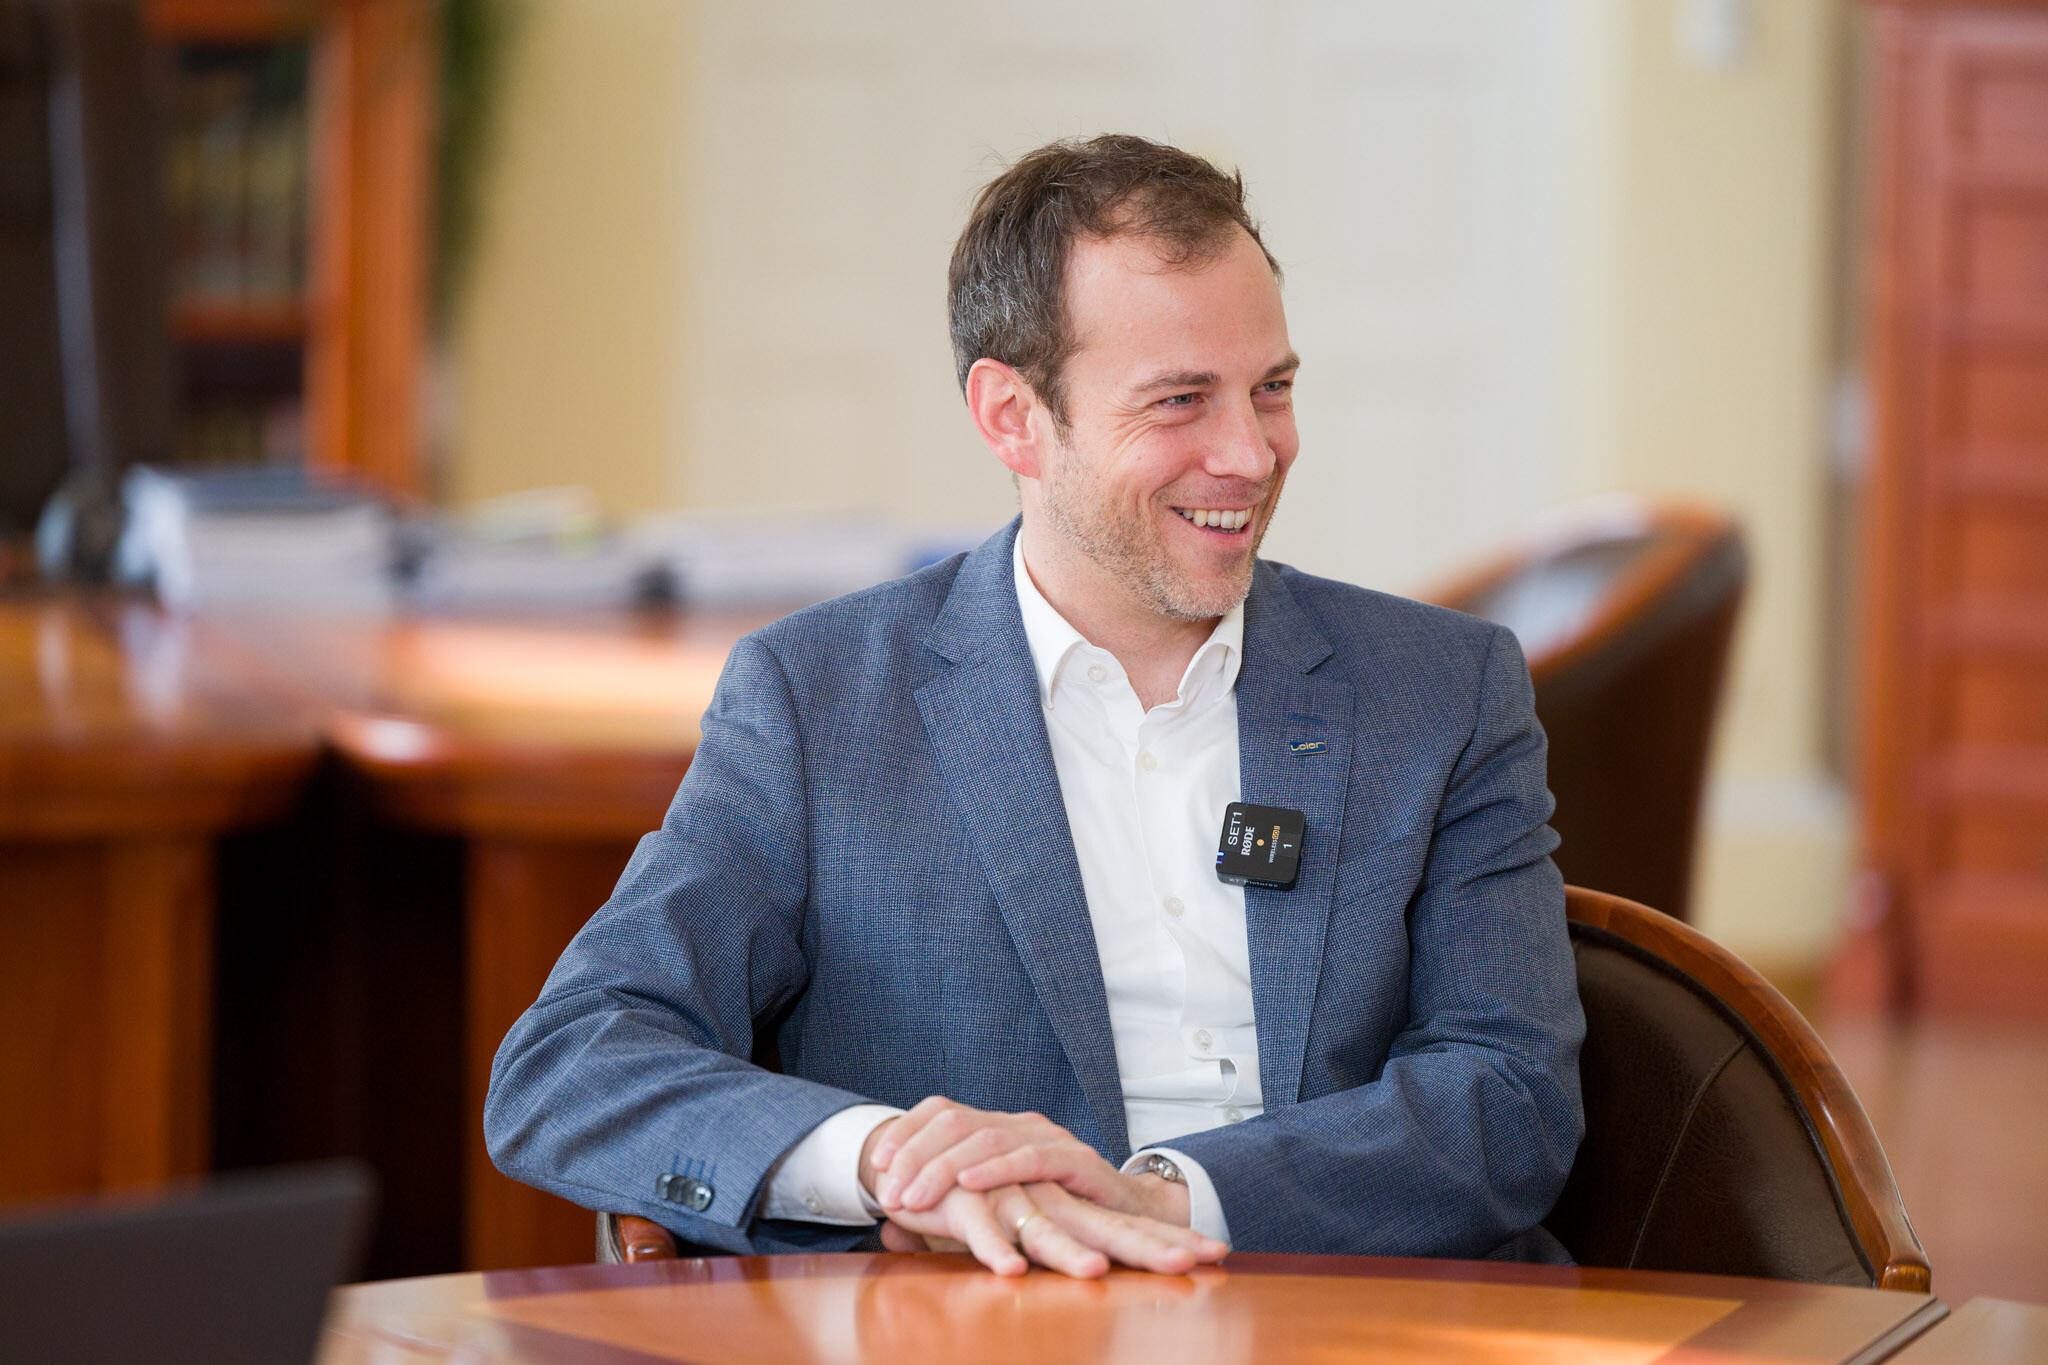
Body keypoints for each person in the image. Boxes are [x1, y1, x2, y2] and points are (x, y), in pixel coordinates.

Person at [484, 134, 1584, 1279]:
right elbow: (574, 1064)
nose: (1250, 455)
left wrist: (1162, 1201)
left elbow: (1508, 1097)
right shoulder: (816, 703)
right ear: (1011, 415)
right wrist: (887, 1162)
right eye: (1178, 401)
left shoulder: (1442, 689)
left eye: (1270, 389)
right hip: (973, 1322)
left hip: (1349, 1315)